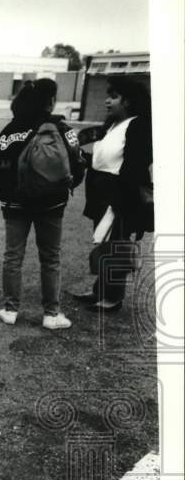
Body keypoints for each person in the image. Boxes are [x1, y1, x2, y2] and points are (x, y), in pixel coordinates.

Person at [0, 79, 85, 329]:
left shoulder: (9, 132)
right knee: (51, 257)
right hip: (52, 204)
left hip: (15, 204)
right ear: (51, 101)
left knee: (13, 256)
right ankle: (51, 314)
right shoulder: (63, 129)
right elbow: (77, 164)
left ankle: (10, 310)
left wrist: (8, 194)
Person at [73, 76, 153, 313]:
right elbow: (104, 157)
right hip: (101, 189)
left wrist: (122, 201)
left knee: (116, 243)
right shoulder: (113, 124)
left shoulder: (138, 125)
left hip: (120, 192)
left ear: (128, 101)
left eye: (114, 96)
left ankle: (113, 297)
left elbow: (135, 164)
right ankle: (100, 290)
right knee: (104, 240)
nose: (107, 100)